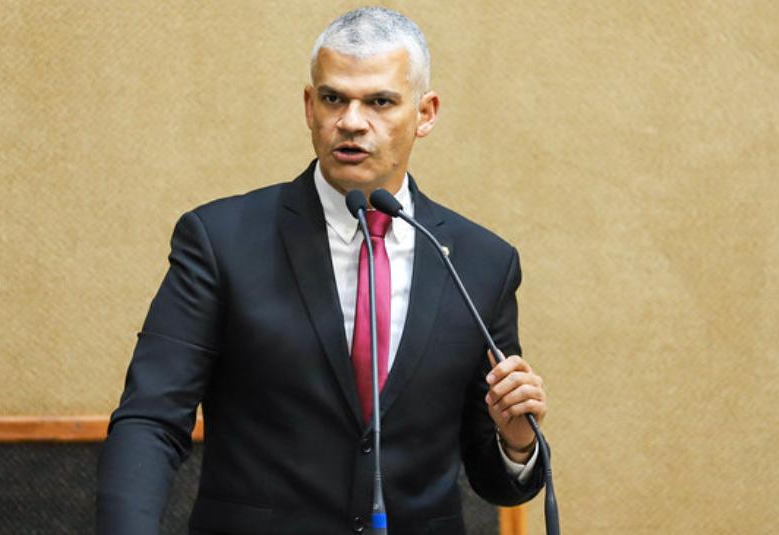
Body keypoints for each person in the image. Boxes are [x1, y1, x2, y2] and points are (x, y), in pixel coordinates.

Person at [97, 7, 549, 535]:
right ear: (310, 106)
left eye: (380, 102)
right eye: (334, 99)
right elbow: (151, 419)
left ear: (425, 113)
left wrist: (516, 441)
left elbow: (495, 478)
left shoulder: (481, 263)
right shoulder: (221, 241)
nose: (352, 121)